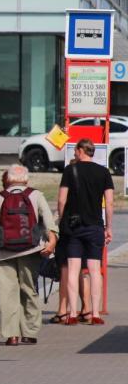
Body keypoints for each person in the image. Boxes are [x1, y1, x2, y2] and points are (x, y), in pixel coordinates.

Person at [0, 164, 58, 345]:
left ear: (8, 179)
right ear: (26, 180)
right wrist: (51, 242)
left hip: (2, 252)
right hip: (31, 250)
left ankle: (12, 335)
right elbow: (49, 221)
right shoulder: (36, 195)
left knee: (7, 292)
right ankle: (30, 332)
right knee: (29, 289)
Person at [56, 138, 113, 326]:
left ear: (81, 150)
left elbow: (62, 200)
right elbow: (109, 203)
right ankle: (95, 313)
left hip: (73, 227)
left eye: (75, 151)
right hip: (95, 226)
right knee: (95, 270)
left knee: (73, 269)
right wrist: (109, 227)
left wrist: (62, 219)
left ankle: (72, 314)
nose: (74, 154)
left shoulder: (69, 171)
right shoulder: (104, 172)